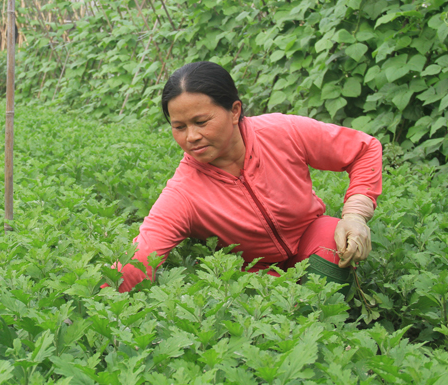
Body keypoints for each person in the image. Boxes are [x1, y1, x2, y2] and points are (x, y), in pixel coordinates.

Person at [113, 61, 381, 293]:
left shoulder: (281, 132)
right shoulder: (184, 192)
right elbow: (143, 254)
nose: (191, 137)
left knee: (334, 251)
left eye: (201, 122)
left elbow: (363, 149)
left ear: (235, 111)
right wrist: (95, 295)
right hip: (254, 271)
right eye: (179, 127)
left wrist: (356, 215)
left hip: (309, 235)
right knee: (264, 296)